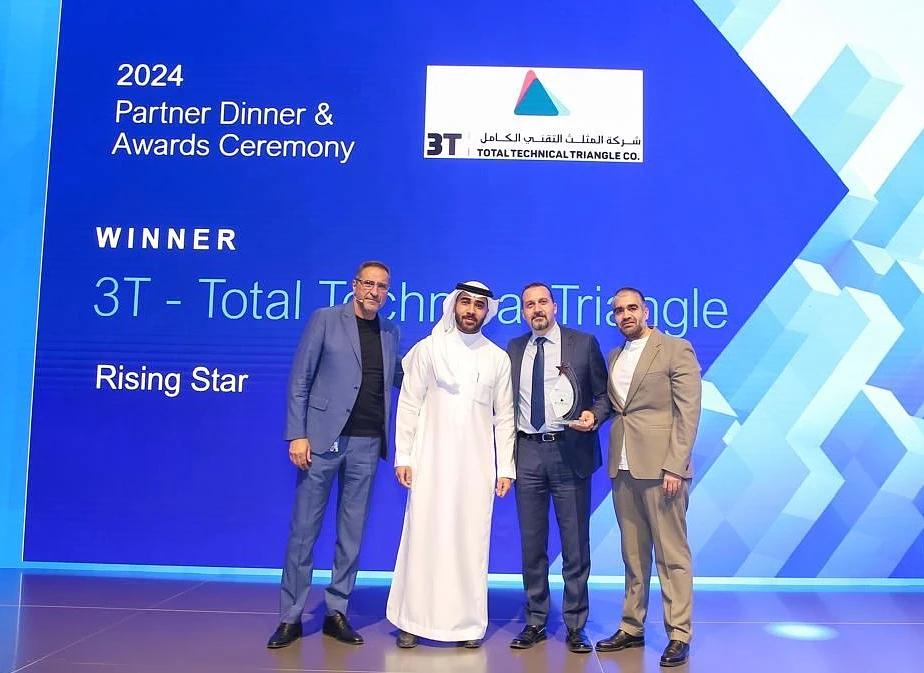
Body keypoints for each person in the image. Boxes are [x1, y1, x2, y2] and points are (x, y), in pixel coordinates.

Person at [267, 261, 403, 649]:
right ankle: (290, 616)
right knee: (304, 532)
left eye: (382, 286)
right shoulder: (325, 319)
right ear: (355, 285)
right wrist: (298, 434)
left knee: (351, 534)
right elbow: (300, 379)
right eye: (368, 284)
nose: (374, 292)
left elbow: (401, 379)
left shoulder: (391, 331)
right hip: (322, 441)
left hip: (367, 444)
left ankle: (336, 611)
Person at [386, 281, 516, 649]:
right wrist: (404, 456)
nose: (471, 310)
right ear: (453, 306)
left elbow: (504, 418)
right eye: (465, 303)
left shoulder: (497, 358)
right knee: (422, 537)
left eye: (478, 305)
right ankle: (412, 620)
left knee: (469, 543)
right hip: (429, 463)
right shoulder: (428, 349)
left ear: (486, 311)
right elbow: (409, 405)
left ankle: (466, 626)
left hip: (477, 469)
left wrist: (506, 467)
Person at [595, 287, 701, 668]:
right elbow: (617, 407)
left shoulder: (675, 348)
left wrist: (676, 464)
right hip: (622, 468)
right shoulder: (614, 356)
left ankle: (679, 634)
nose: (625, 315)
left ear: (646, 310)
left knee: (672, 555)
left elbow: (688, 412)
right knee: (633, 554)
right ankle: (631, 625)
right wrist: (594, 416)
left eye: (632, 308)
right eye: (619, 311)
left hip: (662, 470)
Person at [505, 282, 609, 653]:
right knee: (532, 542)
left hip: (570, 451)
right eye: (529, 305)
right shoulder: (515, 349)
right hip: (527, 452)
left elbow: (603, 396)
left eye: (542, 302)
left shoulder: (582, 343)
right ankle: (535, 619)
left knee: (574, 543)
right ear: (522, 312)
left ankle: (575, 624)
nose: (537, 309)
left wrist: (592, 417)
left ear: (555, 306)